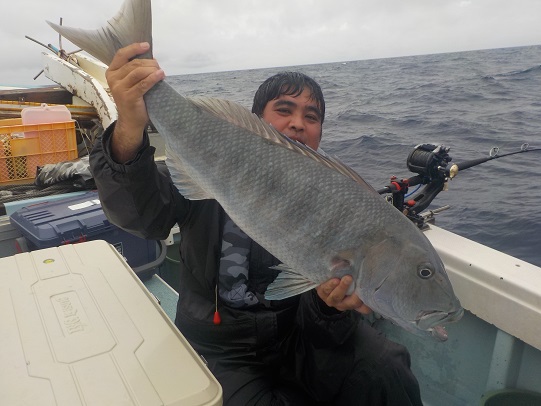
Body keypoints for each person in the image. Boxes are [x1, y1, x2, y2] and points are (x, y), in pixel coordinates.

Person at [89, 42, 424, 406]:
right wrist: (128, 129)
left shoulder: (339, 198)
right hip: (222, 346)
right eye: (284, 110)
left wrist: (329, 307)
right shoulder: (210, 164)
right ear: (254, 121)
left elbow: (321, 313)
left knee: (388, 372)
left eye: (312, 117)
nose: (298, 122)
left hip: (299, 335)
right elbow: (140, 216)